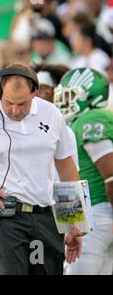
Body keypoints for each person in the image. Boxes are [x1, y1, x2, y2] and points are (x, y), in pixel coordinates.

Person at [0, 63, 82, 275]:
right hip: (2, 216)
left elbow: (66, 167)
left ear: (34, 92)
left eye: (22, 104)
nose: (15, 110)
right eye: (9, 102)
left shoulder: (51, 114)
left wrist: (74, 220)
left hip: (43, 215)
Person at [54, 68, 113, 275]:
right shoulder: (74, 124)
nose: (64, 102)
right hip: (94, 212)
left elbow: (111, 174)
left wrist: (73, 223)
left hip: (96, 211)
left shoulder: (91, 119)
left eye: (70, 96)